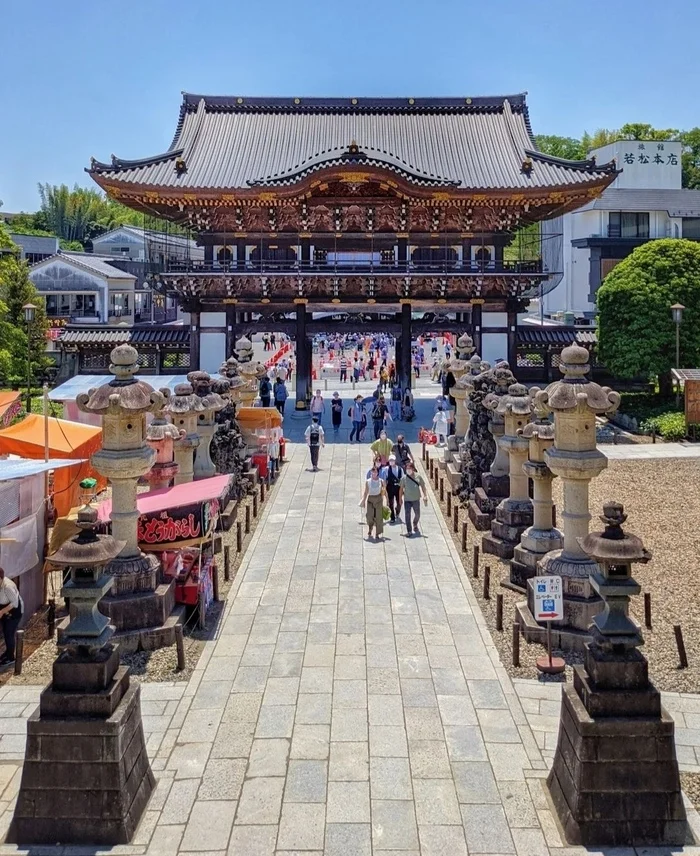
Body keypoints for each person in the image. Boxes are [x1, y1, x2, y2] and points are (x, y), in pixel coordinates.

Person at [0, 568, 23, 666]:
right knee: (5, 632)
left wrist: (1, 612)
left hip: (14, 612)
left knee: (9, 634)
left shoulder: (7, 586)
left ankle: (11, 658)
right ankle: (7, 653)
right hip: (4, 610)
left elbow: (15, 603)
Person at [400, 460, 428, 537]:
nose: (408, 470)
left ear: (413, 469)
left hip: (416, 499)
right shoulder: (404, 478)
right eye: (407, 469)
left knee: (417, 514)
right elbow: (401, 489)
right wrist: (400, 499)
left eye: (409, 468)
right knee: (407, 515)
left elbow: (423, 486)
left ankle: (415, 523)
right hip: (407, 500)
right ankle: (409, 530)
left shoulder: (418, 476)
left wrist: (425, 495)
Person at [360, 466, 386, 541]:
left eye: (375, 472)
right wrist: (363, 501)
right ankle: (370, 528)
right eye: (372, 472)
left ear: (377, 473)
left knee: (379, 516)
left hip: (378, 499)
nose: (373, 473)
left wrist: (386, 500)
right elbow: (366, 492)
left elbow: (384, 490)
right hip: (370, 499)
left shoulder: (381, 481)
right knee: (369, 516)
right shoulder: (368, 481)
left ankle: (378, 533)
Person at [382, 454, 404, 523]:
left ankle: (397, 512)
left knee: (399, 502)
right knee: (390, 503)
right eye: (390, 460)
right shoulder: (386, 469)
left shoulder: (400, 469)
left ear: (395, 461)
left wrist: (403, 489)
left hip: (398, 488)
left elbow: (403, 480)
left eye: (393, 460)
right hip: (390, 488)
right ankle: (392, 517)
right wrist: (384, 489)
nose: (391, 461)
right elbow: (384, 480)